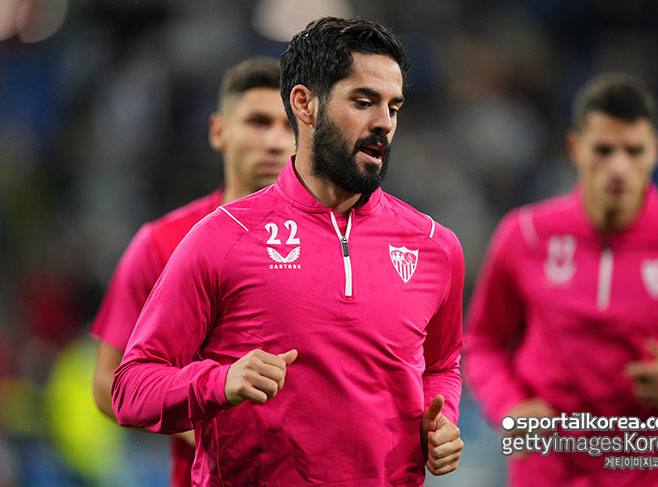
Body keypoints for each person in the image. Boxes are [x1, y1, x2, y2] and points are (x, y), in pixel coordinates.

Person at [111, 16, 464, 486]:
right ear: (305, 104)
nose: (384, 122)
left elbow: (441, 366)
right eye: (363, 102)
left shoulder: (435, 246)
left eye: (393, 107)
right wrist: (219, 382)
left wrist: (441, 422)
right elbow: (131, 389)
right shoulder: (222, 237)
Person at [464, 73, 658, 486]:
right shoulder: (525, 235)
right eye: (604, 150)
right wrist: (509, 407)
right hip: (551, 468)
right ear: (575, 147)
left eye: (634, 151)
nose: (619, 167)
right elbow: (483, 341)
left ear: (655, 151)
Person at [90, 57, 295, 487]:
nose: (275, 142)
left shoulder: (338, 243)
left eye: (288, 126)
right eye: (258, 122)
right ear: (219, 131)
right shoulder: (162, 243)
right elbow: (110, 383)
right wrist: (205, 429)